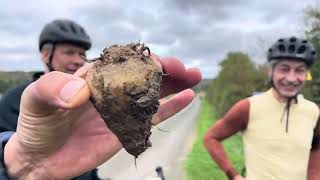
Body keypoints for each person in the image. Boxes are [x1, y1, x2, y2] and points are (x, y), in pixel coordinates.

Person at [0, 20, 202, 179]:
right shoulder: (12, 101)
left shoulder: (92, 95)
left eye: (82, 53)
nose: (78, 59)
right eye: (69, 52)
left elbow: (87, 174)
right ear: (46, 54)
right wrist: (21, 165)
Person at [204, 36, 320, 180]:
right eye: (284, 69)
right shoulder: (248, 107)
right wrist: (233, 175)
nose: (291, 78)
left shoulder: (313, 111)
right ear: (270, 72)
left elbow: (315, 149)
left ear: (306, 74)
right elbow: (211, 138)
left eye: (299, 70)